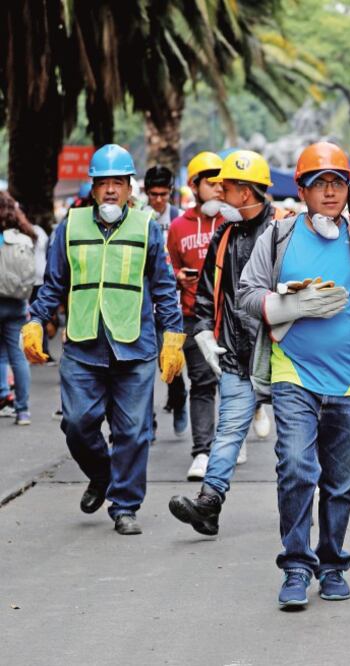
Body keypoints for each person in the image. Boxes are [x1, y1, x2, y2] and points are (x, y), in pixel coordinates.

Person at [238, 141, 350, 610]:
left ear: (349, 189)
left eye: (338, 183)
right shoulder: (278, 236)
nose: (330, 192)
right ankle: (295, 565)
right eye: (319, 183)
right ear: (302, 191)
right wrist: (285, 304)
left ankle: (331, 564)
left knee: (340, 482)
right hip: (293, 372)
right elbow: (246, 295)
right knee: (295, 467)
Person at [23, 144, 185, 535]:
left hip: (135, 346)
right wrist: (36, 320)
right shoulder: (70, 226)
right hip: (83, 345)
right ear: (93, 188)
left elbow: (164, 287)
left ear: (130, 187)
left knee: (134, 432)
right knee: (77, 424)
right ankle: (101, 474)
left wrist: (172, 335)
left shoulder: (146, 227)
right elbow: (54, 282)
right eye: (103, 182)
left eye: (118, 182)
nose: (111, 190)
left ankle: (124, 506)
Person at [167, 149, 278, 533]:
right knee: (229, 428)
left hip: (283, 355)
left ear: (244, 193)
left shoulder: (284, 231)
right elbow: (206, 291)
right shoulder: (225, 234)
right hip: (235, 352)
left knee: (295, 438)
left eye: (225, 187)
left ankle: (301, 502)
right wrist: (201, 329)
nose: (219, 193)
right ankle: (209, 503)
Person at [166, 152, 225, 480]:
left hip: (229, 318)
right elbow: (167, 269)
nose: (218, 188)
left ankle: (230, 438)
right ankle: (203, 451)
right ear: (194, 185)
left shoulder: (233, 223)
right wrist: (178, 276)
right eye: (211, 183)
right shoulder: (178, 227)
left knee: (233, 384)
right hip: (192, 317)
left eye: (221, 183)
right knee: (201, 384)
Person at [145, 165, 187, 434]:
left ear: (171, 192)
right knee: (141, 368)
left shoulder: (179, 219)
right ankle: (146, 423)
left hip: (172, 300)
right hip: (143, 301)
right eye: (153, 194)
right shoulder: (138, 218)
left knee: (169, 359)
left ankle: (179, 398)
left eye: (163, 194)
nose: (158, 199)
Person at [0, 191, 37, 425]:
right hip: (17, 303)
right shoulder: (24, 238)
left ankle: (4, 395)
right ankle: (23, 410)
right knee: (18, 357)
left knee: (0, 354)